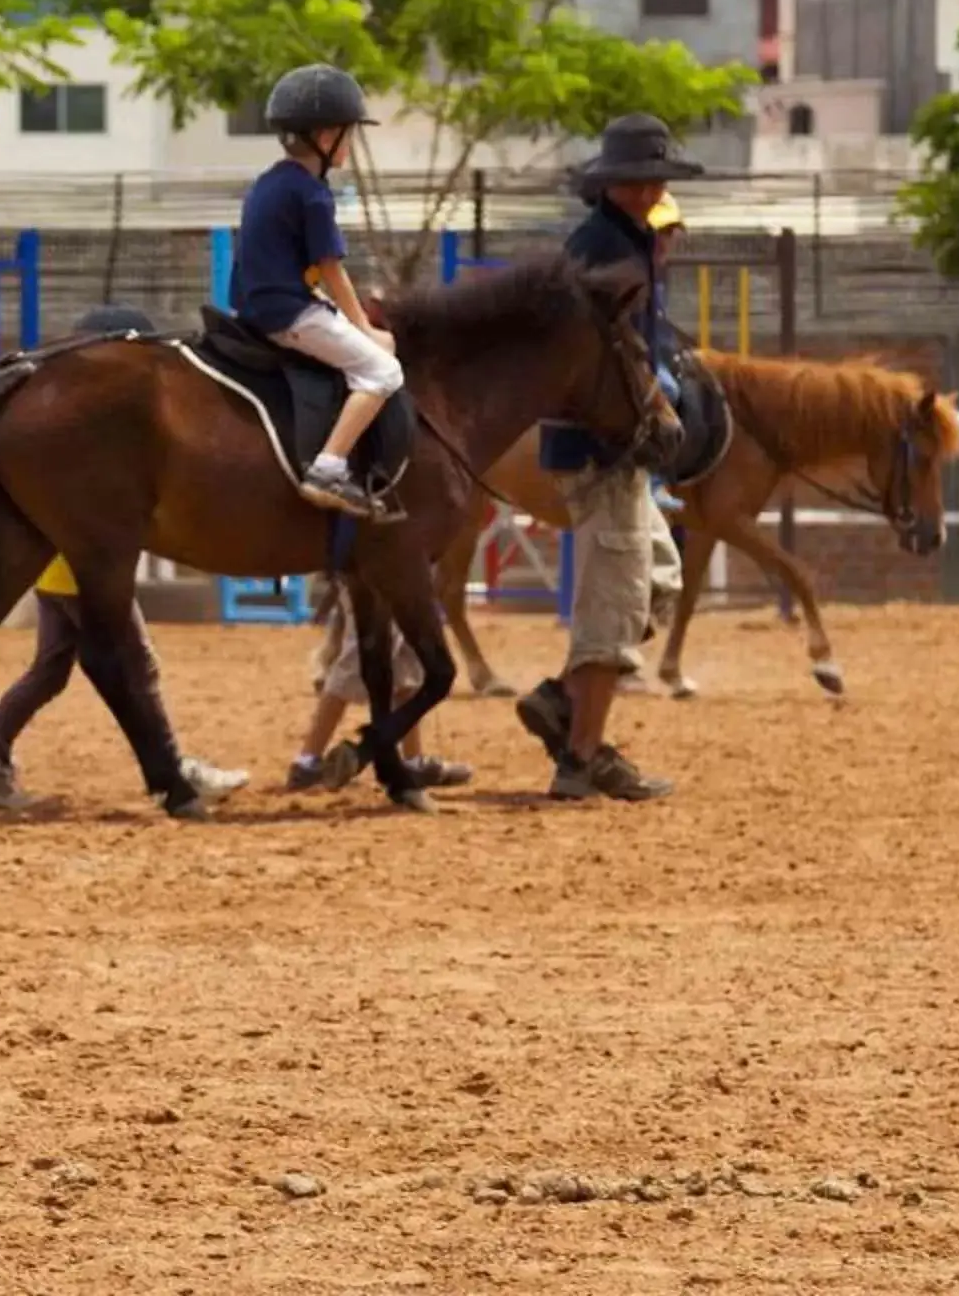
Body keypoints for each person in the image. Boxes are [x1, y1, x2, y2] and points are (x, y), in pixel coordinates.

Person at [0, 304, 252, 813]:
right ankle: (172, 769)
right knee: (135, 662)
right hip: (75, 566)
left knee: (52, 668)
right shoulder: (86, 435)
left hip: (57, 569)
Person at [514, 113, 696, 802]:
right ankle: (582, 757)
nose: (652, 187)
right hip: (604, 451)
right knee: (613, 607)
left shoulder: (620, 243)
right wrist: (655, 405)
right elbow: (597, 362)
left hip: (615, 450)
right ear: (613, 185)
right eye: (641, 177)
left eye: (655, 176)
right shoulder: (607, 253)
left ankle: (564, 700)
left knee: (659, 581)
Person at [230, 65, 405, 520]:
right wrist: (365, 330)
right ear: (326, 137)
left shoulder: (270, 181)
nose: (352, 143)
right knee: (383, 372)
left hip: (258, 305)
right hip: (287, 314)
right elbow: (332, 270)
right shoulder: (312, 195)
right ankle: (328, 467)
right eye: (349, 134)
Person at [285, 592, 474, 794]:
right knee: (357, 660)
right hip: (379, 573)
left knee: (407, 663)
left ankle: (413, 761)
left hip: (405, 576)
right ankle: (308, 761)